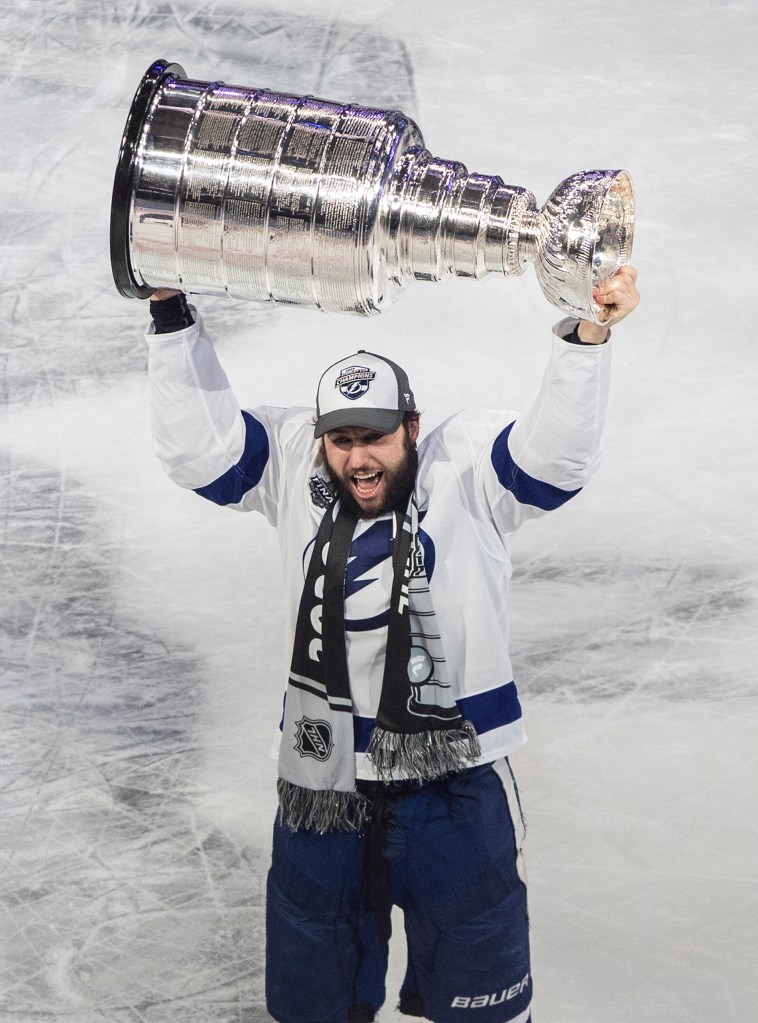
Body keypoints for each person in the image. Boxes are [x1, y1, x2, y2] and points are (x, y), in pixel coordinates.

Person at [146, 266, 640, 1023]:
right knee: (314, 1006)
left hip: (458, 785)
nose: (358, 459)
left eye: (373, 436)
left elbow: (555, 461)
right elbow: (200, 455)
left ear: (411, 426)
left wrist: (587, 335)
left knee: (484, 1007)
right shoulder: (294, 466)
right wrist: (170, 315)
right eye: (341, 441)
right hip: (324, 783)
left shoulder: (468, 467)